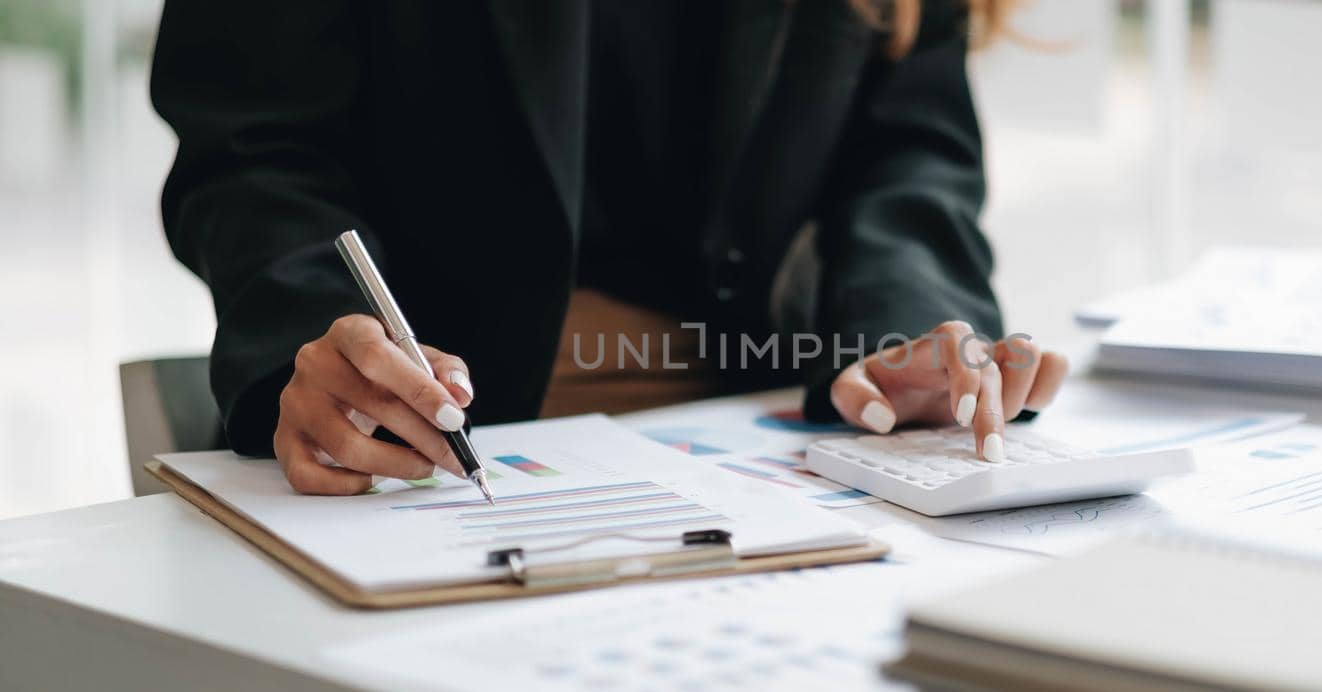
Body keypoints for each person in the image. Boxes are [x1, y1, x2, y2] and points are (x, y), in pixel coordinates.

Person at [152, 0, 1068, 495]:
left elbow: (909, 161)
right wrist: (314, 335)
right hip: (430, 448)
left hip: (760, 444)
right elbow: (251, 150)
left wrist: (902, 340)